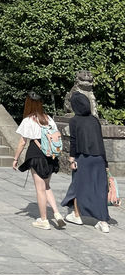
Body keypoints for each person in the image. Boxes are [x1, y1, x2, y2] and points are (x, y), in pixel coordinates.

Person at [12, 92, 66, 230]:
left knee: (40, 189)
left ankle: (44, 220)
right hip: (50, 155)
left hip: (36, 155)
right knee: (47, 186)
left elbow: (23, 142)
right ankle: (57, 213)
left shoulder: (28, 120)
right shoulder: (48, 118)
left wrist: (16, 158)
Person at [61, 92, 110, 233]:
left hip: (83, 158)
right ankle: (103, 221)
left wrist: (71, 159)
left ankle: (77, 215)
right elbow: (100, 142)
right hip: (99, 158)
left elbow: (74, 142)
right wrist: (105, 163)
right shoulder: (94, 120)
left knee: (77, 186)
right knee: (100, 189)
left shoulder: (74, 121)